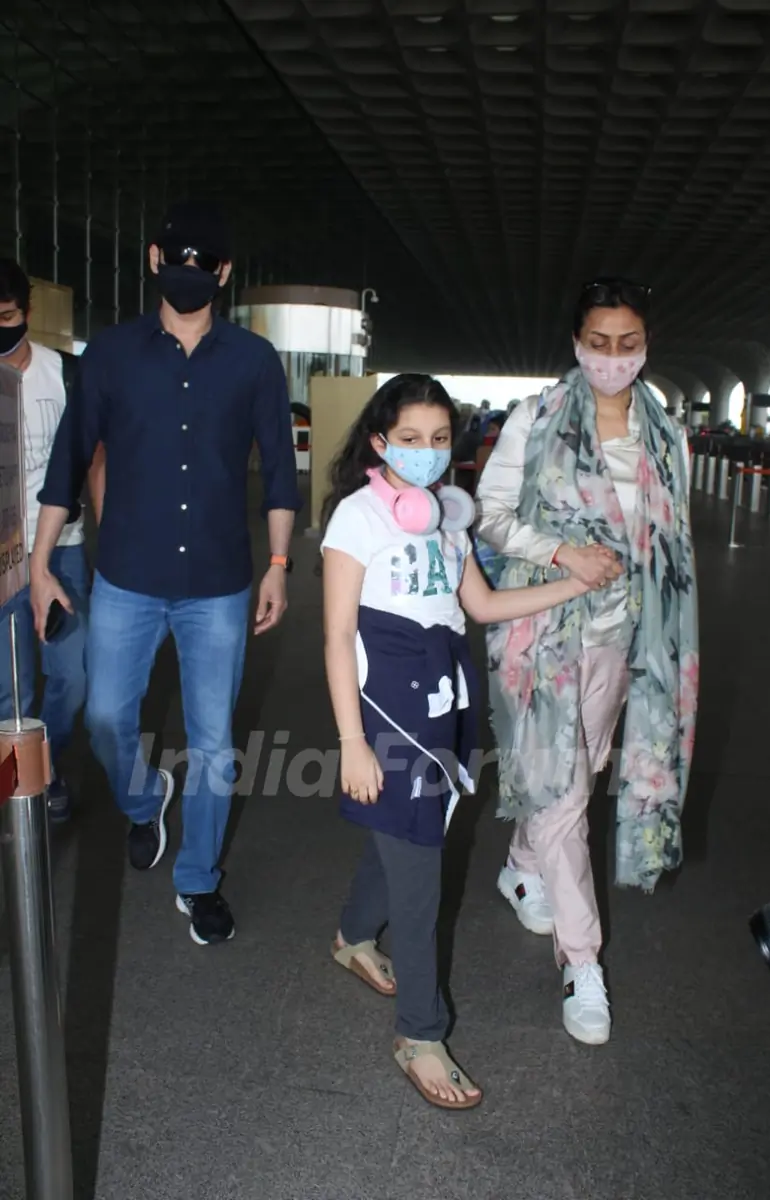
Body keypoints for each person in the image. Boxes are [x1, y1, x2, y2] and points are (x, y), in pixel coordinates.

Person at [320, 374, 618, 1109]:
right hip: (387, 711)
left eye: (441, 439)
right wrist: (351, 743)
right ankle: (420, 1034)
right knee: (422, 875)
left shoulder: (450, 521)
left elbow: (480, 605)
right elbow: (334, 638)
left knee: (407, 835)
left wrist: (572, 583)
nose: (427, 453)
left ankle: (353, 936)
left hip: (447, 700)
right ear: (380, 441)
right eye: (411, 440)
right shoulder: (357, 519)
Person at [32, 200, 301, 946]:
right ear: (155, 260)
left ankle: (198, 880)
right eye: (175, 263)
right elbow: (67, 461)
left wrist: (278, 566)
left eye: (202, 267)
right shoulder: (113, 355)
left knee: (214, 742)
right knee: (106, 718)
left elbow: (280, 473)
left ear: (223, 273)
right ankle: (146, 798)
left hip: (218, 583)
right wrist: (40, 563)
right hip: (125, 576)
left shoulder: (253, 362)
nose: (188, 277)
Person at [475, 278, 699, 1045]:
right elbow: (491, 517)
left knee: (579, 776)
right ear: (576, 344)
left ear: (645, 345)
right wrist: (562, 551)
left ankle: (517, 868)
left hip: (619, 636)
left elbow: (671, 549)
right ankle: (583, 964)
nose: (611, 357)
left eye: (626, 343)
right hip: (540, 635)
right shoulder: (534, 421)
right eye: (598, 343)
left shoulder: (667, 437)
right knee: (566, 794)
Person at [0, 260, 104, 822]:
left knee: (73, 675)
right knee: (8, 687)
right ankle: (22, 790)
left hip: (62, 547)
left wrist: (108, 541)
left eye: (8, 316)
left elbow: (96, 459)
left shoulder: (66, 374)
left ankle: (49, 762)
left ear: (27, 314)